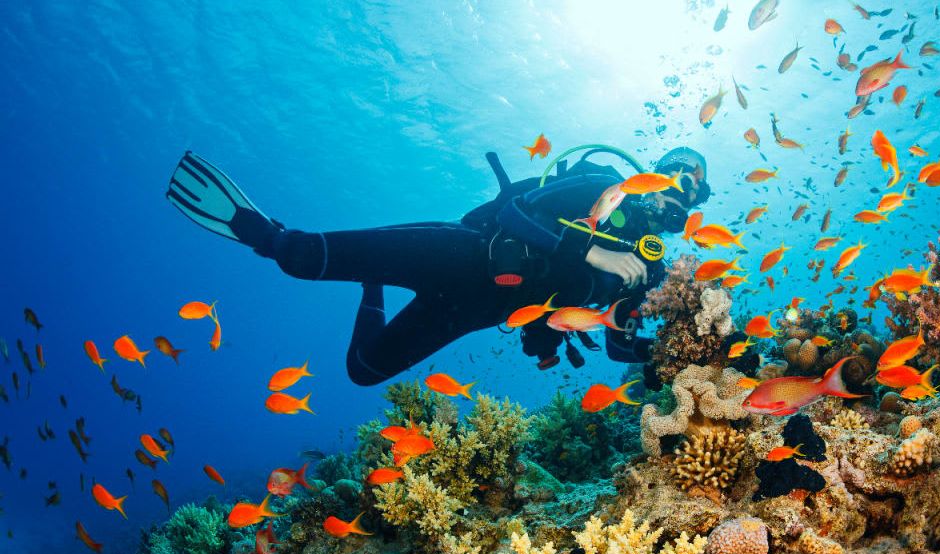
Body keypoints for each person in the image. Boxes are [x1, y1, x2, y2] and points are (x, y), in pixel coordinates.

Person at [165, 146, 711, 386]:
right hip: (463, 252)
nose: (685, 199)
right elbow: (512, 212)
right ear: (658, 176)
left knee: (363, 371)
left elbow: (617, 342)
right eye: (681, 181)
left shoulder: (654, 271)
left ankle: (372, 287)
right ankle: (252, 225)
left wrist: (667, 360)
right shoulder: (604, 187)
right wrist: (591, 250)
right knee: (300, 255)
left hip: (479, 309)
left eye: (697, 193)